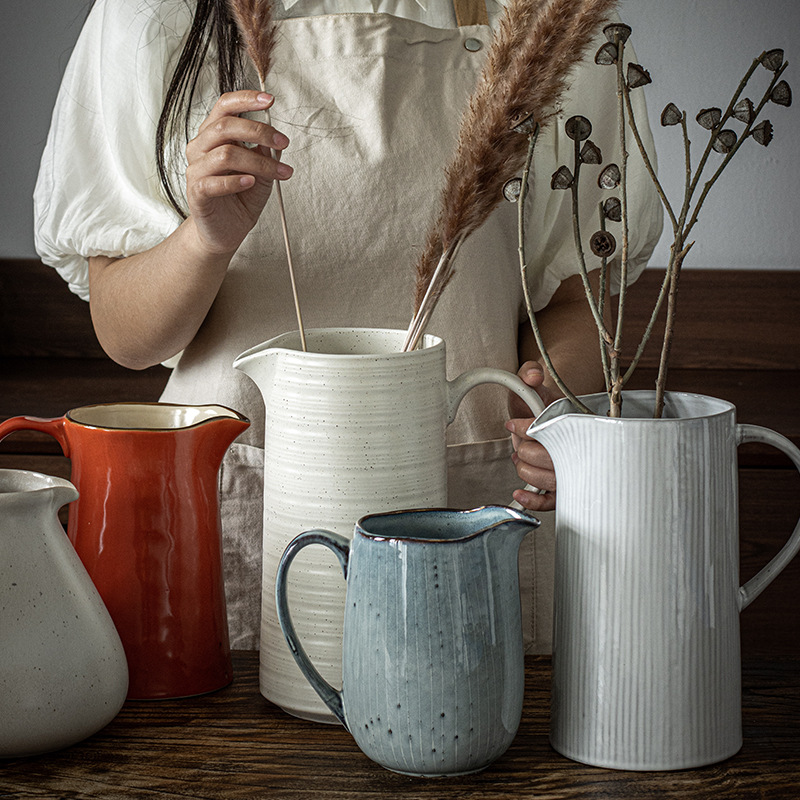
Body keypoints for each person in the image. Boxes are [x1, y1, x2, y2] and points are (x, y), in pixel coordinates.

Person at [34, 0, 663, 652]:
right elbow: (127, 337)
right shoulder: (151, 15)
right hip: (235, 521)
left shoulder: (544, 14)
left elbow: (570, 299)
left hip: (473, 505)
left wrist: (558, 405)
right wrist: (203, 239)